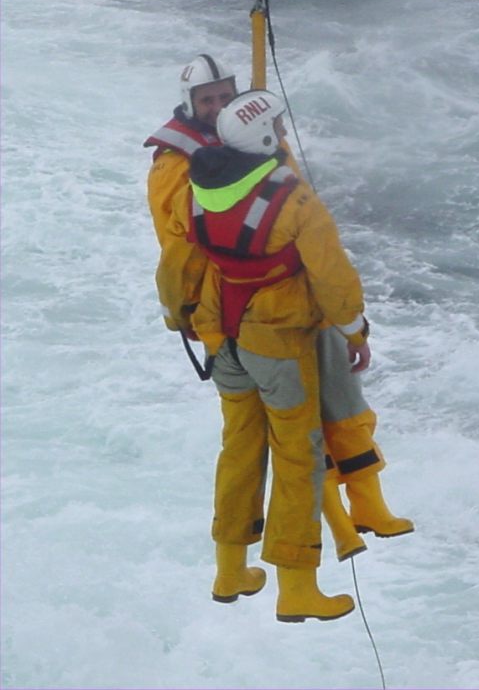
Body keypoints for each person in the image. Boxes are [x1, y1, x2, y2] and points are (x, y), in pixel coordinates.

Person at [144, 55, 413, 564]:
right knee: (288, 438)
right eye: (208, 100)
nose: (220, 106)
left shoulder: (256, 137)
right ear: (190, 106)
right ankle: (311, 544)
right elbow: (182, 246)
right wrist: (200, 316)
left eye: (226, 95)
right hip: (243, 315)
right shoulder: (177, 166)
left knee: (342, 403)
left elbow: (298, 214)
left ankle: (367, 505)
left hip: (300, 298)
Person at [156, 89, 376, 621]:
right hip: (275, 339)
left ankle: (230, 569)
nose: (283, 135)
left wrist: (179, 317)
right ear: (263, 137)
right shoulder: (295, 200)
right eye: (277, 129)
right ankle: (297, 585)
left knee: (239, 451)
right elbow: (332, 276)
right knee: (299, 456)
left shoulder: (198, 189)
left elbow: (177, 261)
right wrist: (355, 330)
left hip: (220, 335)